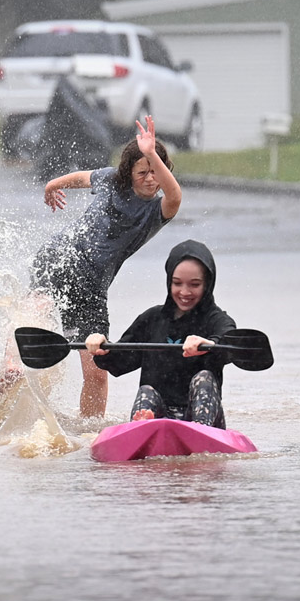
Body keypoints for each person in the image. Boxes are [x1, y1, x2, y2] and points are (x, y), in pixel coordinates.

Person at [29, 116, 182, 417]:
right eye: (143, 172)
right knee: (37, 315)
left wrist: (151, 154)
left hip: (92, 288)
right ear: (128, 172)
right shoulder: (111, 179)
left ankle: (89, 434)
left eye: (156, 172)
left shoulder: (158, 210)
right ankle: (9, 373)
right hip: (58, 260)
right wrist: (52, 185)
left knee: (98, 370)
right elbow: (83, 177)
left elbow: (175, 193)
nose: (151, 179)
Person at [84, 240, 234, 429]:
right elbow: (119, 362)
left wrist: (209, 345)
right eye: (177, 283)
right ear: (169, 281)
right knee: (147, 391)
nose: (185, 292)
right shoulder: (152, 319)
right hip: (160, 416)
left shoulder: (217, 320)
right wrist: (101, 347)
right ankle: (143, 427)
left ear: (207, 284)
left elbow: (230, 343)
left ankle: (198, 430)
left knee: (204, 378)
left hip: (204, 421)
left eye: (194, 284)